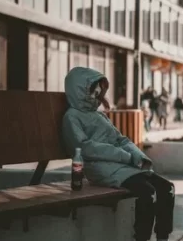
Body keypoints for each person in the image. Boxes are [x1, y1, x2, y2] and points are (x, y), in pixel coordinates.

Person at [62, 67, 175, 241]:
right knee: (148, 193)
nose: (97, 95)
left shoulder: (99, 116)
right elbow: (84, 147)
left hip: (121, 166)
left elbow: (121, 139)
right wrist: (122, 156)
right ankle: (142, 238)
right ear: (80, 90)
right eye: (93, 90)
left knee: (167, 188)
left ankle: (163, 237)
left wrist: (138, 156)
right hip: (100, 168)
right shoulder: (72, 117)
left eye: (98, 91)